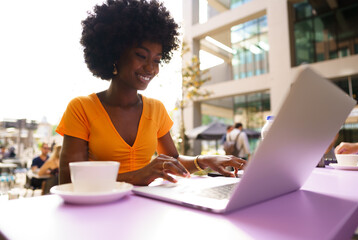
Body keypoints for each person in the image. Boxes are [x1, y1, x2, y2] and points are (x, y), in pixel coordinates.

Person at [56, 0, 246, 186]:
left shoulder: (155, 109)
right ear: (115, 53)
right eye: (141, 56)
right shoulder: (81, 108)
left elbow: (173, 161)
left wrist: (204, 160)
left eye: (156, 60)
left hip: (146, 209)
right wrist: (136, 176)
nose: (150, 68)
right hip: (94, 211)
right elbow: (68, 181)